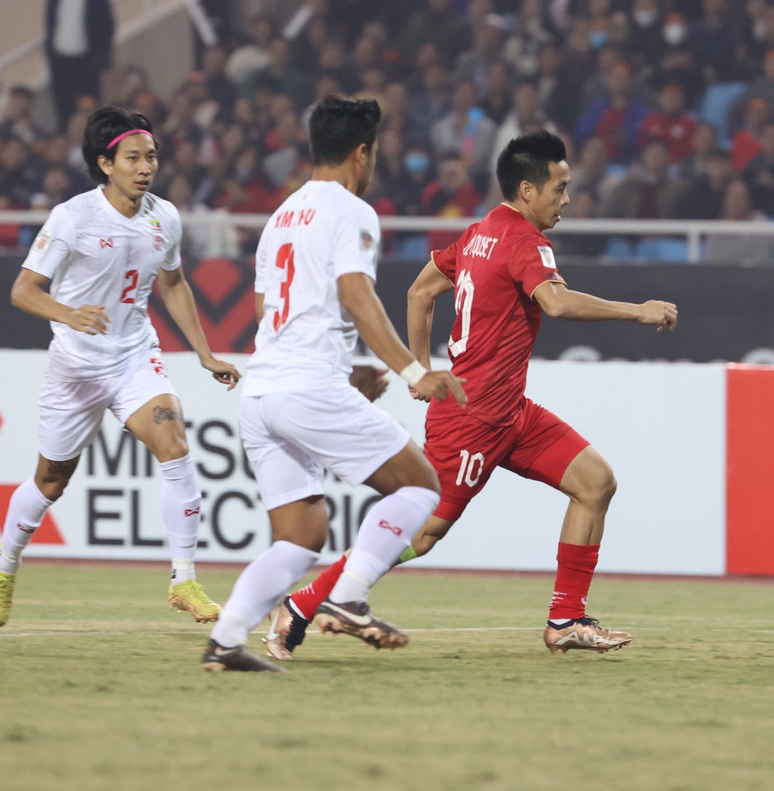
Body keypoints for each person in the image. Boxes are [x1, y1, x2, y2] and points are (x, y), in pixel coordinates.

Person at [263, 131, 676, 662]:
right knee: (423, 532)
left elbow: (419, 291)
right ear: (527, 190)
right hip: (472, 419)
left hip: (511, 412)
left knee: (596, 482)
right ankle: (301, 604)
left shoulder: (479, 233)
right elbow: (554, 302)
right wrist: (636, 310)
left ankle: (566, 617)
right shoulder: (525, 241)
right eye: (560, 188)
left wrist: (419, 371)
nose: (566, 199)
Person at [202, 96, 465, 673]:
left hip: (263, 393)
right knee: (420, 486)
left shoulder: (281, 217)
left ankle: (225, 640)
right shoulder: (351, 211)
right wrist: (415, 372)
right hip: (305, 389)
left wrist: (347, 371)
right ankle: (347, 598)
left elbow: (271, 311)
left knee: (301, 534)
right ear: (361, 153)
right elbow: (355, 296)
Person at [0, 106, 243, 632]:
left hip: (133, 356)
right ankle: (5, 562)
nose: (145, 167)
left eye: (151, 156)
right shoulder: (73, 217)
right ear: (106, 164)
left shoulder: (163, 216)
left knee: (175, 442)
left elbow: (173, 284)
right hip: (76, 368)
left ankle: (184, 578)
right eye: (133, 158)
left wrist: (203, 351)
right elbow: (23, 290)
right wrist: (69, 313)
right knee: (52, 481)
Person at [44, 0, 115, 133]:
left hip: (86, 59)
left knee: (89, 103)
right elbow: (51, 23)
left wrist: (103, 58)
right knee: (63, 104)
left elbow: (107, 26)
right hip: (60, 59)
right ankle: (65, 137)